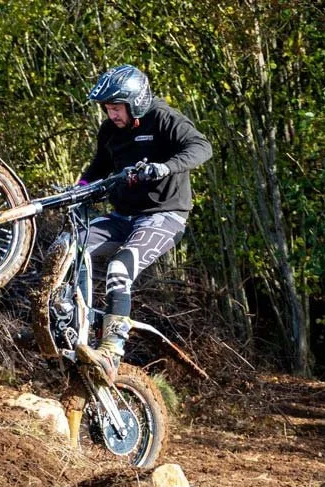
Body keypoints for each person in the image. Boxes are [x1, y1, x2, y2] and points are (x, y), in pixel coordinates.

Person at [73, 64, 213, 385]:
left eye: (116, 107)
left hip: (163, 215)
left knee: (119, 269)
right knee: (70, 247)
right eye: (107, 108)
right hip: (122, 216)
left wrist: (164, 168)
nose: (111, 114)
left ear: (135, 101)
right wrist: (79, 188)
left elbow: (201, 147)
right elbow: (98, 167)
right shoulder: (110, 131)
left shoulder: (164, 119)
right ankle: (71, 325)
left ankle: (112, 349)